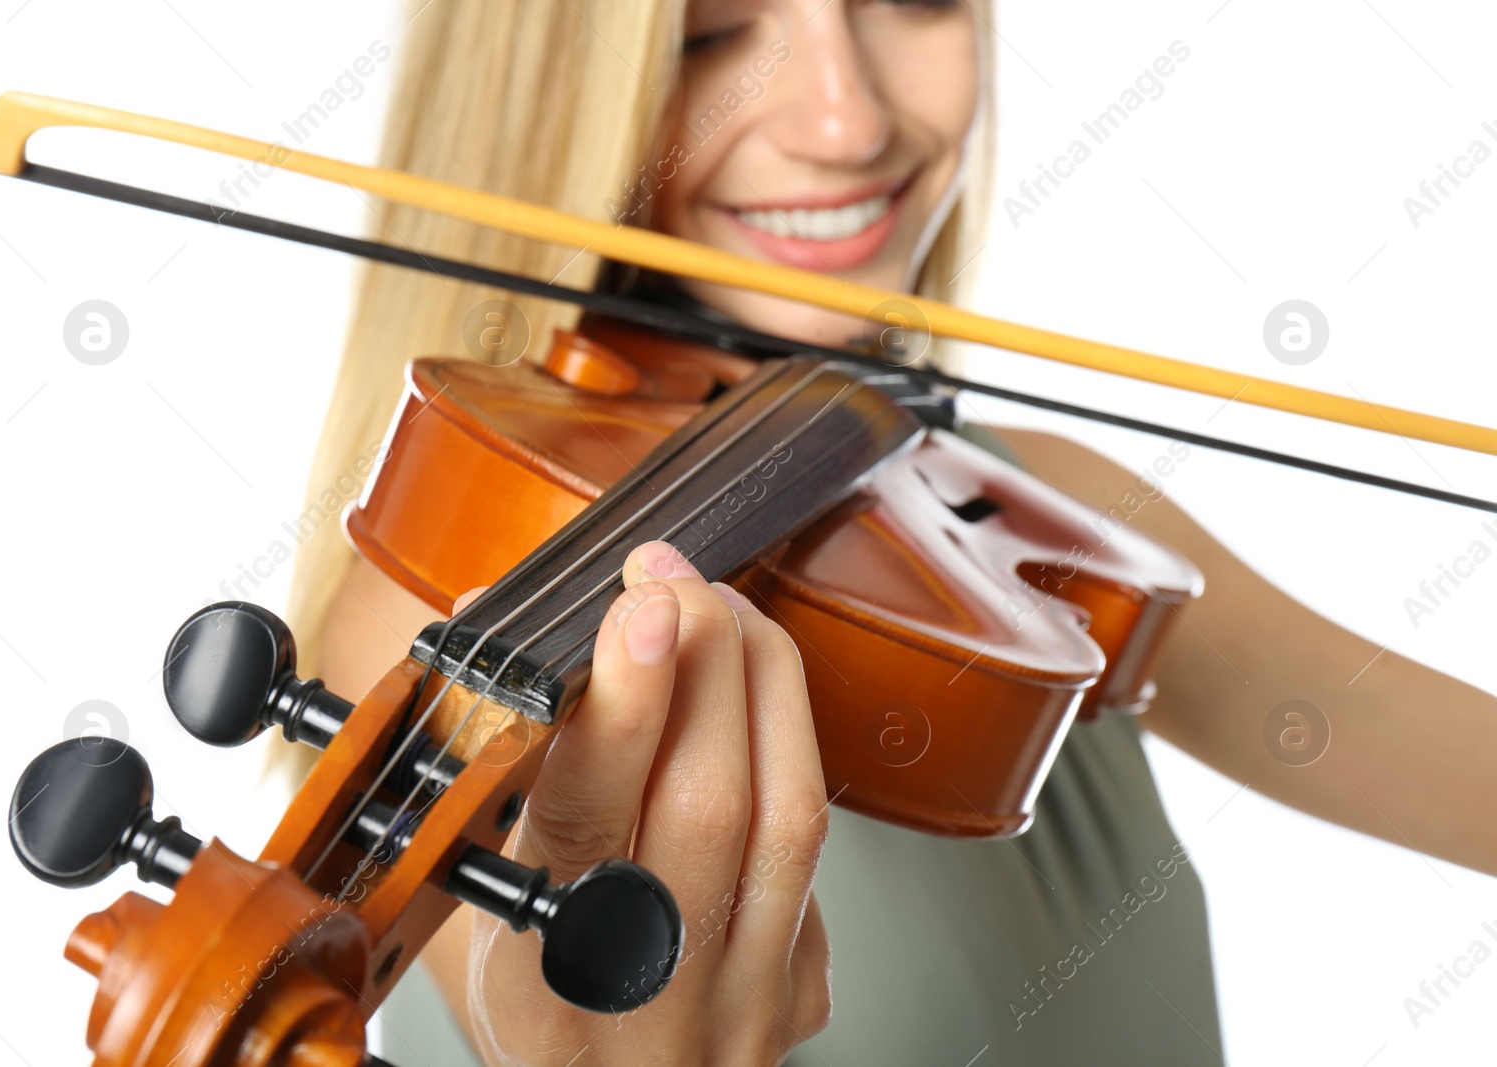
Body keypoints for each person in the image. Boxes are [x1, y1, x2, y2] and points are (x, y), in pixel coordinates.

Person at [283, 2, 1497, 1063]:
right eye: (711, 32)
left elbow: (1423, 751)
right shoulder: (444, 596)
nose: (845, 121)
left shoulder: (1026, 506)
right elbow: (528, 1017)